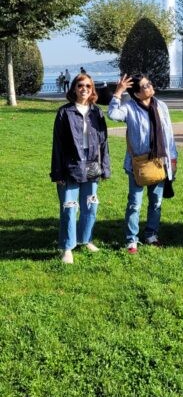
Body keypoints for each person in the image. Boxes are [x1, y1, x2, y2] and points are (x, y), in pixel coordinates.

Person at [108, 74, 177, 251]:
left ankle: (151, 234)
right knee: (134, 204)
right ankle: (131, 239)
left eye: (149, 83)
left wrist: (173, 158)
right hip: (137, 165)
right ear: (137, 94)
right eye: (145, 86)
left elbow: (169, 135)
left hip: (159, 161)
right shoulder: (129, 108)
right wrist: (118, 92)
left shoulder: (161, 106)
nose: (150, 86)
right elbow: (113, 114)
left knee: (156, 202)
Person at [50, 73, 110, 264]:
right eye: (80, 85)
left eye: (88, 86)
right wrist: (57, 172)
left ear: (92, 90)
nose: (84, 89)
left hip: (92, 164)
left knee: (90, 205)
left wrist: (105, 168)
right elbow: (58, 144)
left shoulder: (97, 112)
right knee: (69, 207)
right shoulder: (64, 112)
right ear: (74, 88)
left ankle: (86, 239)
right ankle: (67, 247)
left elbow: (103, 143)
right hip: (70, 165)